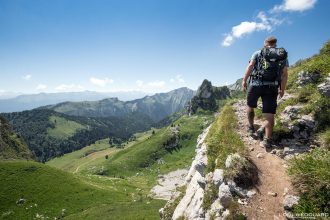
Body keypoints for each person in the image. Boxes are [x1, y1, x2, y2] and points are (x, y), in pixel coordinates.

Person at [241, 36, 289, 149]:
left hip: (256, 85)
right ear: (275, 44)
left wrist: (244, 80)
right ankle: (267, 140)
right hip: (272, 87)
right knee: (269, 115)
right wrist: (282, 89)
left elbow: (250, 66)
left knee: (250, 105)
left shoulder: (258, 53)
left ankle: (251, 127)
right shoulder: (282, 56)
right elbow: (284, 74)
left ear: (265, 43)